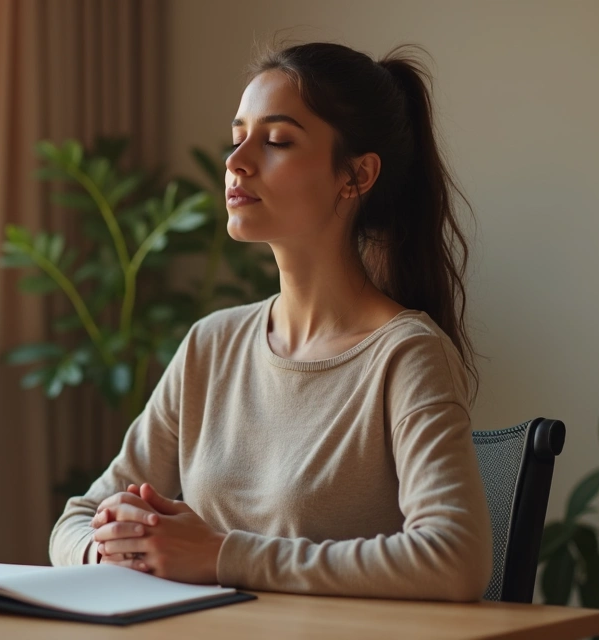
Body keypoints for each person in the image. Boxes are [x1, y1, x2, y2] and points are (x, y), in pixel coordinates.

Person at [48, 42, 493, 602]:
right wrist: (114, 548)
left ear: (356, 175)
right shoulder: (211, 344)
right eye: (238, 138)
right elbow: (77, 520)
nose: (236, 161)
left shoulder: (405, 354)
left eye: (277, 140)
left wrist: (218, 555)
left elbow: (455, 558)